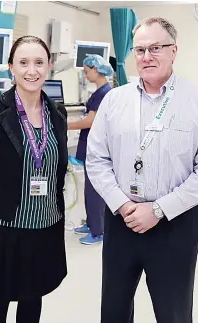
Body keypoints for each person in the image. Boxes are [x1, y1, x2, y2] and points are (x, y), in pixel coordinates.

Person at [86, 17, 198, 323]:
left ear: (174, 51)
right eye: (140, 50)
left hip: (175, 226)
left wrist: (157, 210)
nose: (146, 57)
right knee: (114, 311)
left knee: (173, 313)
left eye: (155, 48)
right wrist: (123, 205)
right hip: (122, 222)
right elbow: (96, 159)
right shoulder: (114, 101)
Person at [0, 35, 68, 323]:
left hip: (45, 224)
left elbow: (58, 164)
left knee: (33, 297)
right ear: (11, 67)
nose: (31, 71)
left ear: (49, 66)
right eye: (23, 63)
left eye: (38, 62)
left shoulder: (57, 113)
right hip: (4, 225)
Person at [68, 55, 113, 245]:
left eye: (87, 71)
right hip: (91, 144)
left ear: (96, 70)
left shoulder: (103, 93)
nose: (85, 75)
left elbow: (90, 121)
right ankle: (91, 224)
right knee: (89, 189)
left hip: (95, 147)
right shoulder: (101, 92)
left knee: (94, 191)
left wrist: (66, 125)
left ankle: (98, 231)